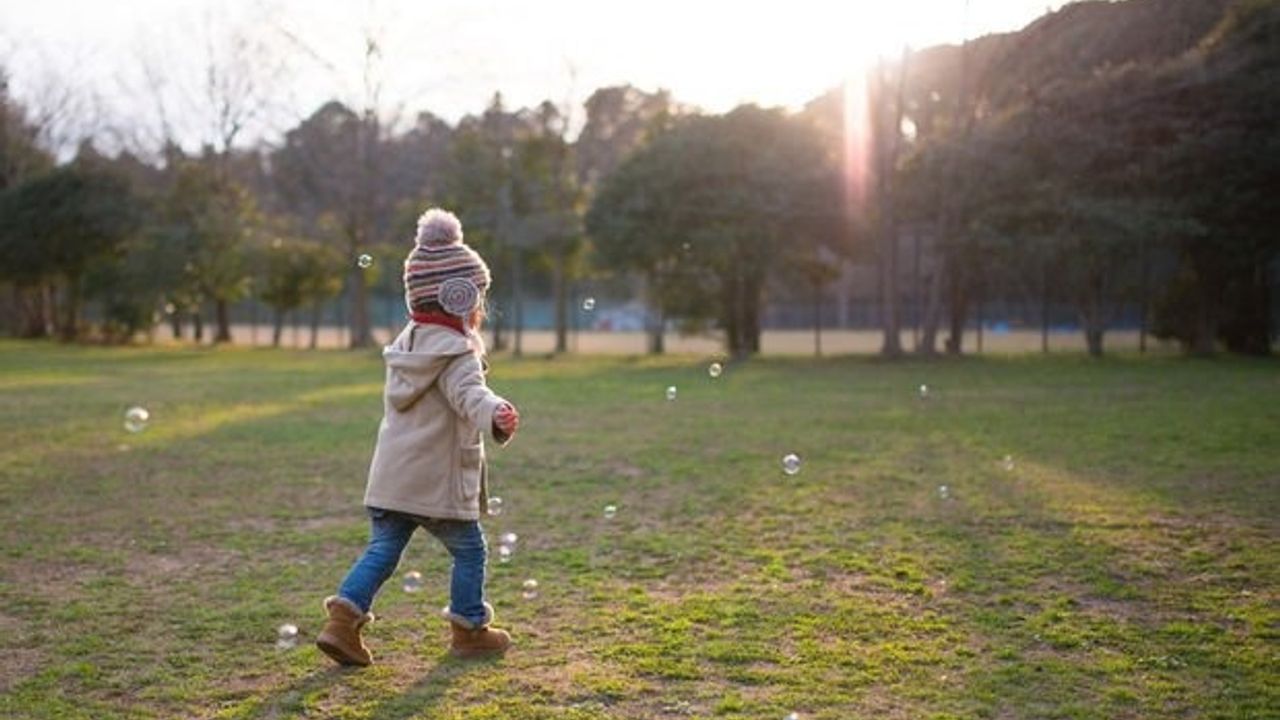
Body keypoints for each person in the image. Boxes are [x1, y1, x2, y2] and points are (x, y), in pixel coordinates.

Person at [316, 208, 520, 667]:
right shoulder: (457, 352)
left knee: (383, 549)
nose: (480, 307)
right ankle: (469, 628)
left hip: (392, 477)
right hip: (433, 481)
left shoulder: (408, 344)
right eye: (478, 296)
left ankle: (341, 625)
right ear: (459, 296)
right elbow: (471, 394)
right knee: (471, 550)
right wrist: (497, 413)